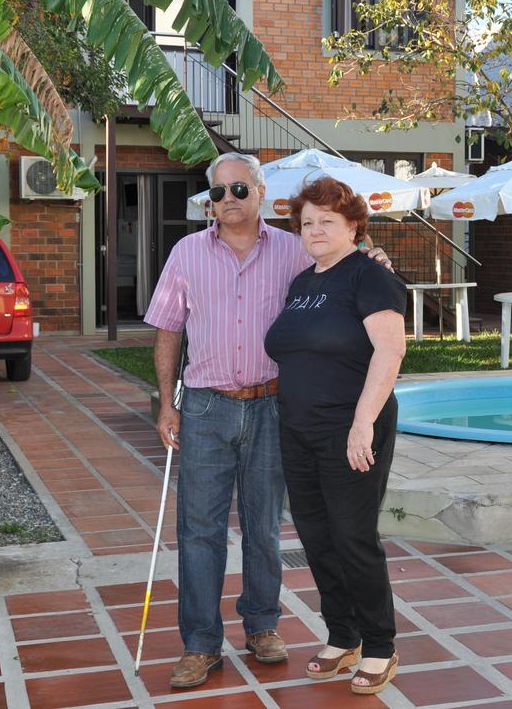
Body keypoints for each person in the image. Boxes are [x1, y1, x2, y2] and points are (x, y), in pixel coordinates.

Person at [146, 153, 390, 689]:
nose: (227, 200)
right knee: (200, 529)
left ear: (260, 192)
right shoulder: (186, 252)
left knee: (264, 526)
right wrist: (167, 404)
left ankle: (261, 626)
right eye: (217, 192)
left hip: (273, 404)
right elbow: (167, 330)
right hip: (207, 406)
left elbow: (341, 273)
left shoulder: (294, 249)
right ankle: (201, 642)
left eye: (238, 189)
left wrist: (372, 255)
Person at [264, 177, 407, 696]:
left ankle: (379, 645)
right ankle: (342, 634)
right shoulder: (303, 283)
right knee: (317, 538)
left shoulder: (369, 276)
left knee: (353, 538)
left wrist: (362, 424)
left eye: (327, 220)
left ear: (353, 225)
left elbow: (390, 353)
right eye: (307, 222)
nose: (315, 229)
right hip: (298, 430)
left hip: (352, 428)